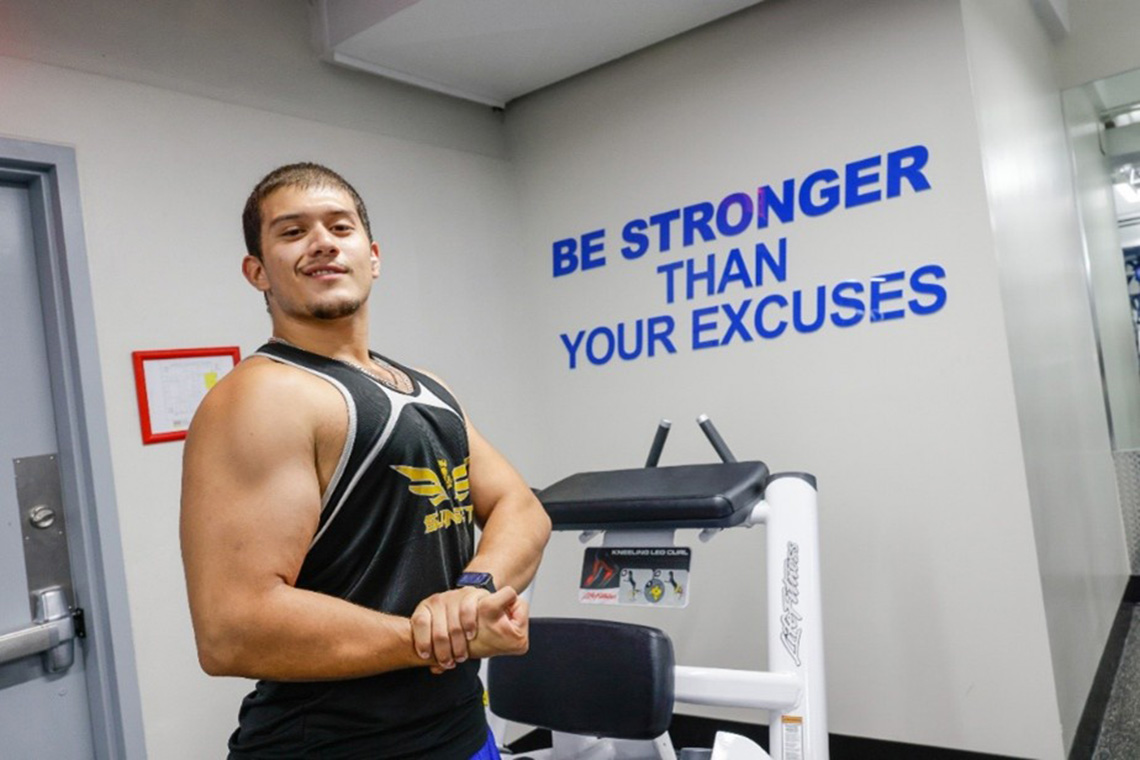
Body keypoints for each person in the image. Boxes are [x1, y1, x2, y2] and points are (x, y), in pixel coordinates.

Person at [180, 163, 552, 759]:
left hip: (458, 733)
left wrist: (473, 590)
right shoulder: (261, 397)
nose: (322, 242)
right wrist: (432, 637)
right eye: (292, 232)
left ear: (372, 255)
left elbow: (521, 507)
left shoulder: (423, 385)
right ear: (258, 272)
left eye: (339, 227)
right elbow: (231, 628)